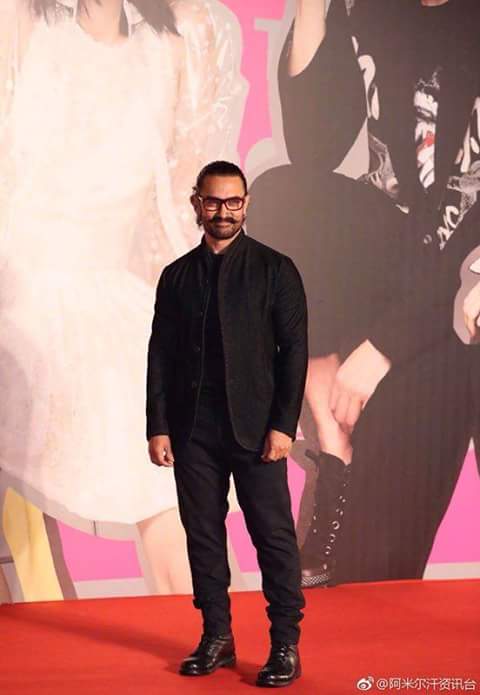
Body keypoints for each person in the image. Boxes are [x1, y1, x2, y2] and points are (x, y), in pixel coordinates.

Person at [0, 0, 244, 600]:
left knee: (173, 475)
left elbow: (181, 208)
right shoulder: (21, 26)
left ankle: (211, 632)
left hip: (107, 303)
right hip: (15, 295)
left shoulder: (170, 52)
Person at [248, 0, 480, 585]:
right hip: (405, 280)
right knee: (281, 197)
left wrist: (381, 350)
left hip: (462, 298)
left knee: (377, 574)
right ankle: (333, 435)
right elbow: (312, 147)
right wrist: (314, 7)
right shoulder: (374, 11)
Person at [147, 161, 307, 687]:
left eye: (233, 201)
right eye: (213, 201)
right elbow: (160, 356)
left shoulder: (275, 269)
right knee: (203, 536)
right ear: (197, 203)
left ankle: (284, 644)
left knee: (273, 537)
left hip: (258, 430)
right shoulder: (176, 277)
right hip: (193, 431)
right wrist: (158, 425)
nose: (224, 211)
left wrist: (283, 425)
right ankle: (217, 636)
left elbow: (294, 354)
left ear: (246, 204)